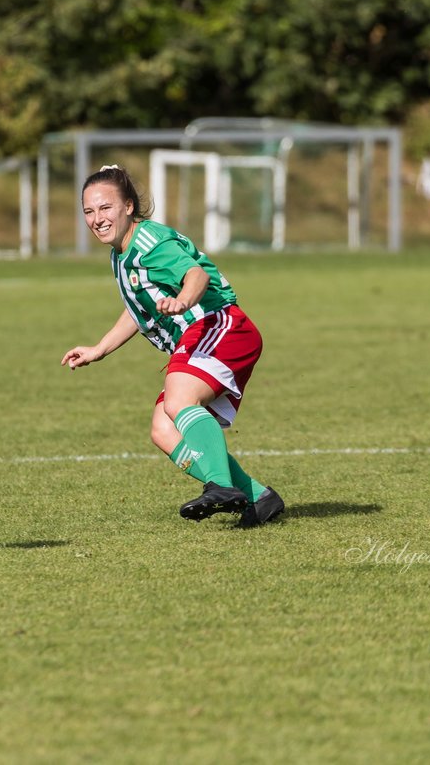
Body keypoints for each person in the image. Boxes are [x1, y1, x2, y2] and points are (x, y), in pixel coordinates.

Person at [60, 165, 285, 527]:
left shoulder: (149, 243)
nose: (97, 219)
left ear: (129, 206)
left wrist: (182, 300)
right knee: (163, 431)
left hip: (219, 325)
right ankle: (258, 499)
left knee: (180, 399)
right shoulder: (121, 253)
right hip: (199, 335)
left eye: (105, 208)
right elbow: (138, 310)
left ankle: (221, 487)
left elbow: (196, 275)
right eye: (89, 211)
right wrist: (99, 348)